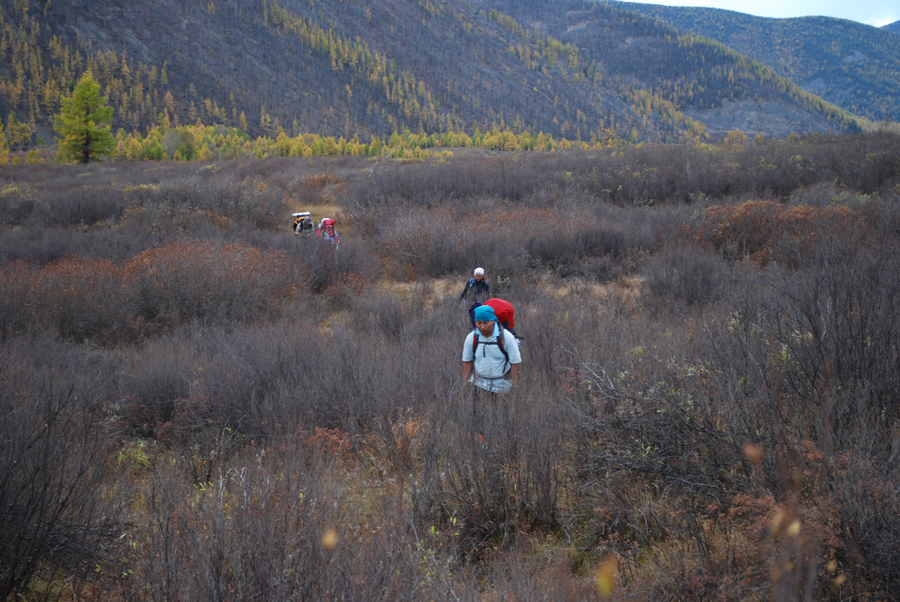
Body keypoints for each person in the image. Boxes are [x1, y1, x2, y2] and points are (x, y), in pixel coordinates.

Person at [462, 305, 521, 394]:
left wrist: (514, 388)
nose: (482, 327)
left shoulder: (507, 338)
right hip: (478, 385)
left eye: (486, 323)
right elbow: (467, 362)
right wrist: (465, 385)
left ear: (493, 320)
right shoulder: (471, 338)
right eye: (478, 323)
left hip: (503, 387)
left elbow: (515, 363)